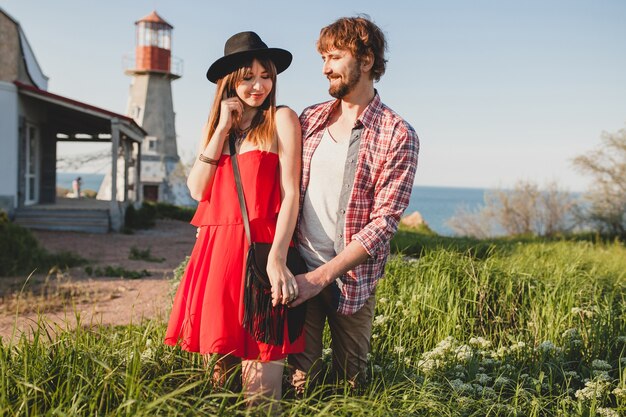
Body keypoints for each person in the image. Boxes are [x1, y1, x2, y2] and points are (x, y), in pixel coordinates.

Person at [164, 31, 303, 404]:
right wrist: (222, 128)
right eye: (248, 77)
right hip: (215, 256)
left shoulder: (283, 119)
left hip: (260, 254)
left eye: (266, 75)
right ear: (230, 82)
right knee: (217, 386)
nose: (259, 85)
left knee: (261, 390)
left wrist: (277, 257)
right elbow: (197, 189)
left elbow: (291, 194)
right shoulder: (218, 129)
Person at [288, 16, 419, 392]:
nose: (326, 67)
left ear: (366, 60)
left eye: (335, 56)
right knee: (301, 384)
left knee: (352, 385)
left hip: (353, 281)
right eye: (323, 58)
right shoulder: (309, 119)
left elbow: (384, 224)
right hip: (301, 269)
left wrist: (321, 278)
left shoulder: (398, 134)